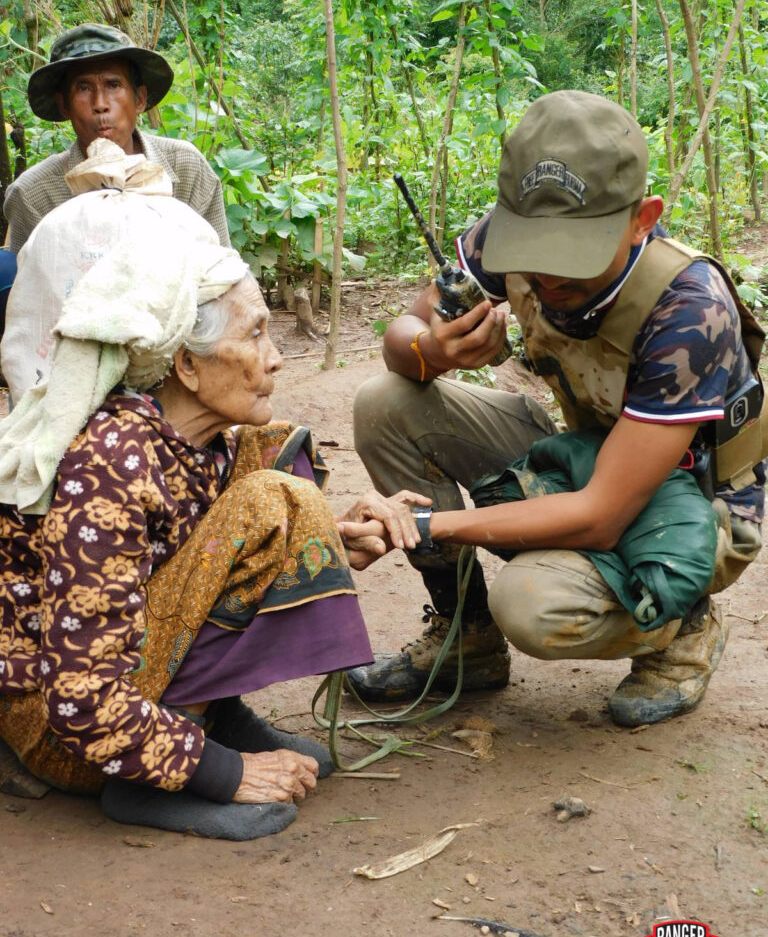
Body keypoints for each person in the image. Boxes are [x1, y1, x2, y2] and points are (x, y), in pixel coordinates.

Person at [0, 194, 426, 840]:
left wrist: (332, 538)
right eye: (254, 334)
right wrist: (222, 774)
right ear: (187, 365)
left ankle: (213, 714)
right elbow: (80, 697)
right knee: (271, 498)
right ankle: (165, 764)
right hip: (68, 734)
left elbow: (192, 562)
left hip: (129, 689)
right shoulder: (111, 462)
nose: (275, 357)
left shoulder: (203, 444)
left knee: (274, 466)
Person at [348, 89, 766, 728]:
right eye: (534, 249)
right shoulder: (504, 237)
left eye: (574, 253)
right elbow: (403, 333)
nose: (547, 277)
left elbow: (600, 516)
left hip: (692, 505)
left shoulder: (688, 308)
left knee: (533, 603)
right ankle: (466, 639)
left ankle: (682, 626)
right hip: (585, 455)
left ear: (642, 219)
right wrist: (431, 349)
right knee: (385, 403)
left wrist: (422, 524)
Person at [3, 23, 229, 253]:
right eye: (83, 88)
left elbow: (223, 265)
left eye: (113, 85)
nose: (100, 104)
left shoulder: (187, 169)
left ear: (139, 99)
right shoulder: (34, 194)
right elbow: (31, 274)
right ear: (64, 105)